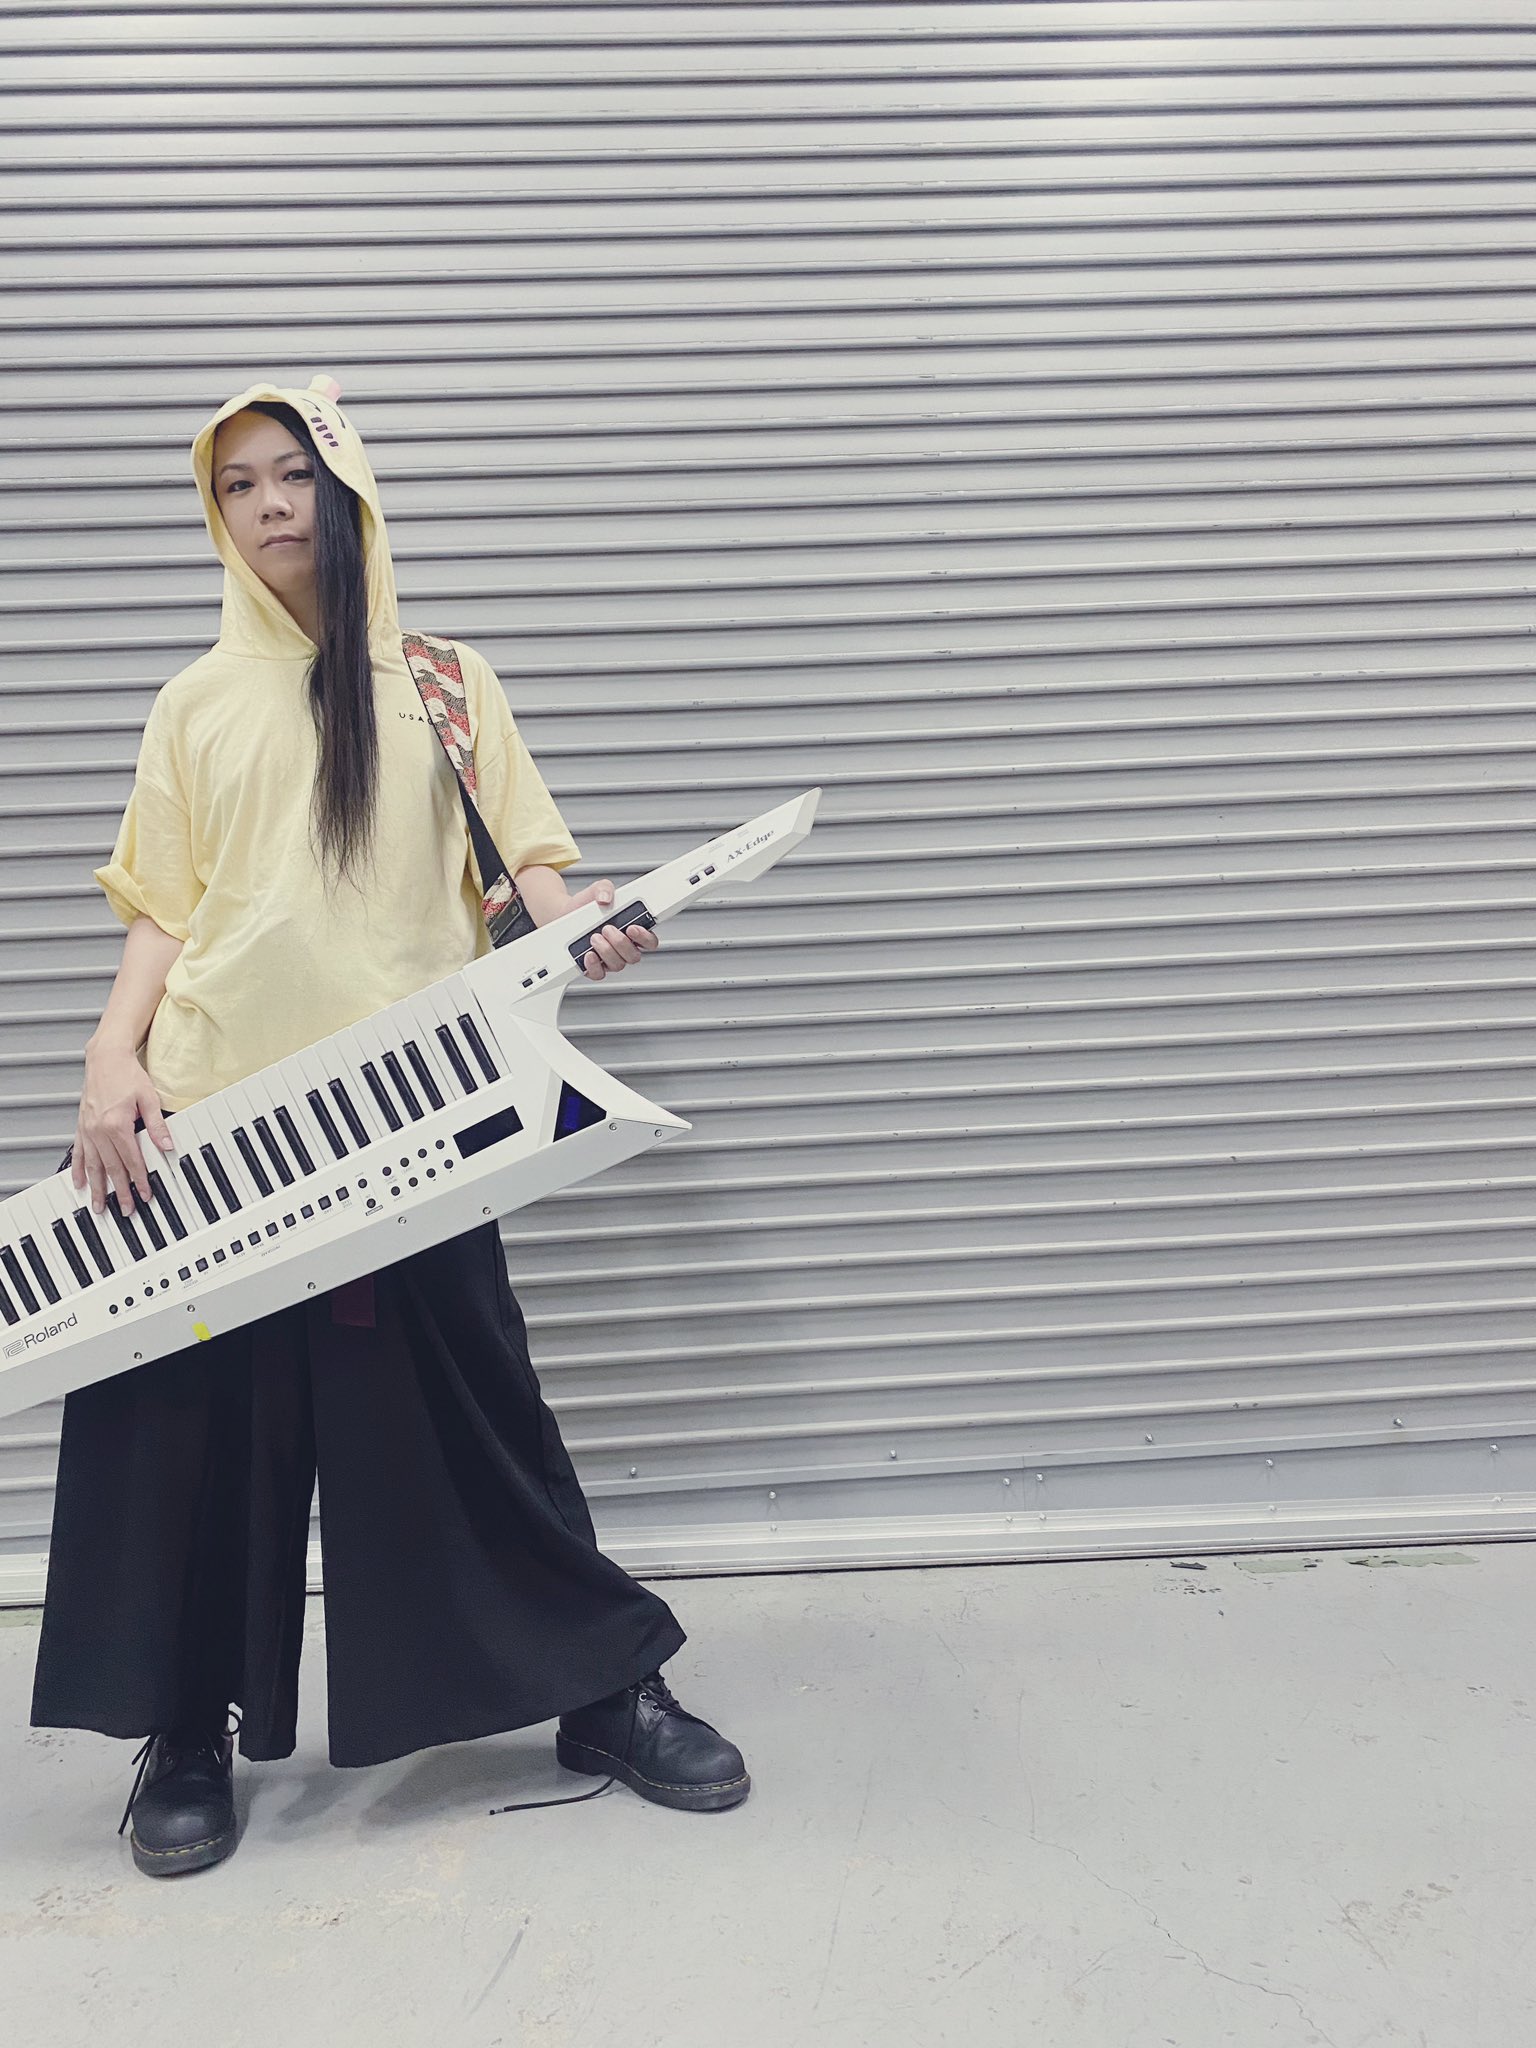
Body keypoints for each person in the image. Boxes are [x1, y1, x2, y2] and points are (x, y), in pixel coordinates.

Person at [29, 376, 749, 1878]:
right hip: (217, 1124)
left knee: (477, 1419)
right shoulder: (193, 704)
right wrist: (109, 1054)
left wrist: (583, 921)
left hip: (416, 1112)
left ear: (345, 485)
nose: (269, 506)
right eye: (237, 485)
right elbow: (166, 911)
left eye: (292, 473)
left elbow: (524, 871)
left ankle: (600, 1689)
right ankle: (185, 1728)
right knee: (189, 1440)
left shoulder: (443, 682)